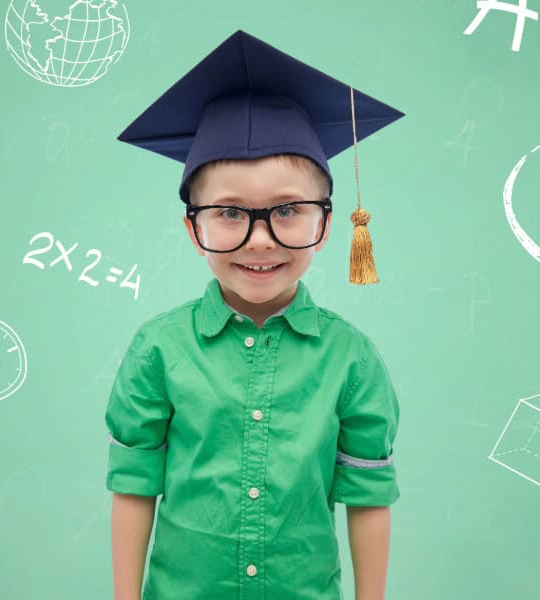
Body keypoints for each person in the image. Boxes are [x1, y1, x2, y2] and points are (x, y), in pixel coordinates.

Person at [104, 30, 404, 600]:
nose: (260, 240)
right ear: (194, 228)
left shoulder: (352, 358)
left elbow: (368, 495)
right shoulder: (159, 348)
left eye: (288, 210)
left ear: (328, 222)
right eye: (229, 213)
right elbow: (135, 483)